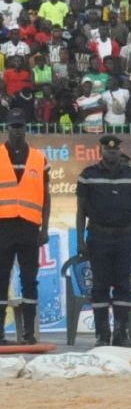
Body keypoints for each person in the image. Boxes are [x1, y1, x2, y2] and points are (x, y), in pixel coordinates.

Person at [75, 136, 131, 348]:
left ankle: (121, 333)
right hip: (98, 237)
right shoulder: (88, 176)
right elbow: (81, 212)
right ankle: (102, 334)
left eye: (115, 150)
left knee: (123, 285)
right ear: (101, 151)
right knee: (100, 286)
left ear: (120, 152)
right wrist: (80, 241)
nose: (112, 153)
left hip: (126, 238)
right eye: (108, 150)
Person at [0, 108, 50, 344]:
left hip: (30, 227)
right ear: (6, 128)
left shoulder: (39, 158)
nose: (17, 130)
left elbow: (46, 196)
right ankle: (0, 334)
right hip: (3, 227)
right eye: (13, 126)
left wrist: (45, 228)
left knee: (30, 280)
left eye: (20, 126)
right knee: (1, 278)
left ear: (26, 129)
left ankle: (28, 334)